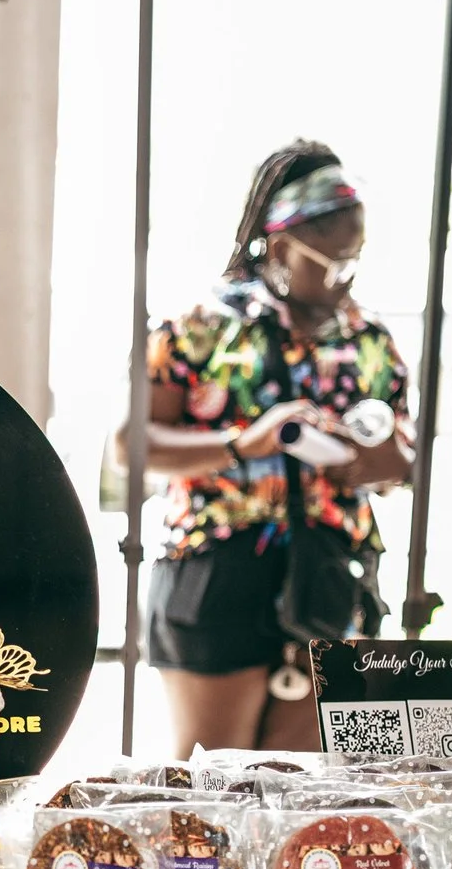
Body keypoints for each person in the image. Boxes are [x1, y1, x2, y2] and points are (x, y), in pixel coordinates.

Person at [120, 141, 416, 753]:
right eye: (332, 264)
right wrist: (240, 444)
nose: (346, 280)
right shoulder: (198, 328)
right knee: (210, 783)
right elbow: (132, 446)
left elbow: (404, 454)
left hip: (333, 573)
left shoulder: (369, 339)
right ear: (280, 249)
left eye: (354, 262)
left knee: (303, 791)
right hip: (218, 574)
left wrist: (387, 464)